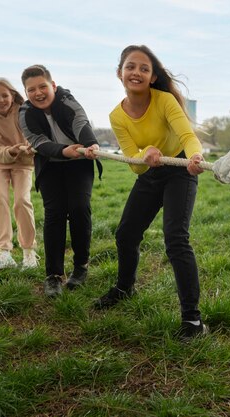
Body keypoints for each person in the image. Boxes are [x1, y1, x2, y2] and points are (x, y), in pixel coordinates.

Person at [93, 45, 208, 340]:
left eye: (144, 68)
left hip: (180, 168)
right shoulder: (117, 116)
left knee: (175, 239)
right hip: (149, 173)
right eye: (131, 66)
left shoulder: (165, 100)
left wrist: (195, 159)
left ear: (152, 76)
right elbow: (134, 164)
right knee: (125, 233)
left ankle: (193, 320)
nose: (137, 72)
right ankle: (124, 287)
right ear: (120, 73)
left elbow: (188, 137)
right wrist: (145, 154)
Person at [19, 65, 101, 298]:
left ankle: (81, 267)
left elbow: (80, 123)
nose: (38, 93)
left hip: (79, 163)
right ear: (26, 93)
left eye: (43, 86)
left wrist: (91, 144)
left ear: (53, 86)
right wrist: (65, 151)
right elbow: (38, 141)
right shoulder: (24, 113)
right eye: (31, 89)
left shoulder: (67, 100)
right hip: (51, 165)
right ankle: (53, 275)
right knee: (54, 214)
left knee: (79, 208)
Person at [0, 77, 38, 271]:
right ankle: (3, 252)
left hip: (23, 160)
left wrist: (30, 147)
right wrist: (13, 149)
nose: (0, 100)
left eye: (4, 95)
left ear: (12, 96)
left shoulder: (24, 111)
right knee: (0, 197)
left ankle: (29, 252)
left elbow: (34, 134)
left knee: (22, 200)